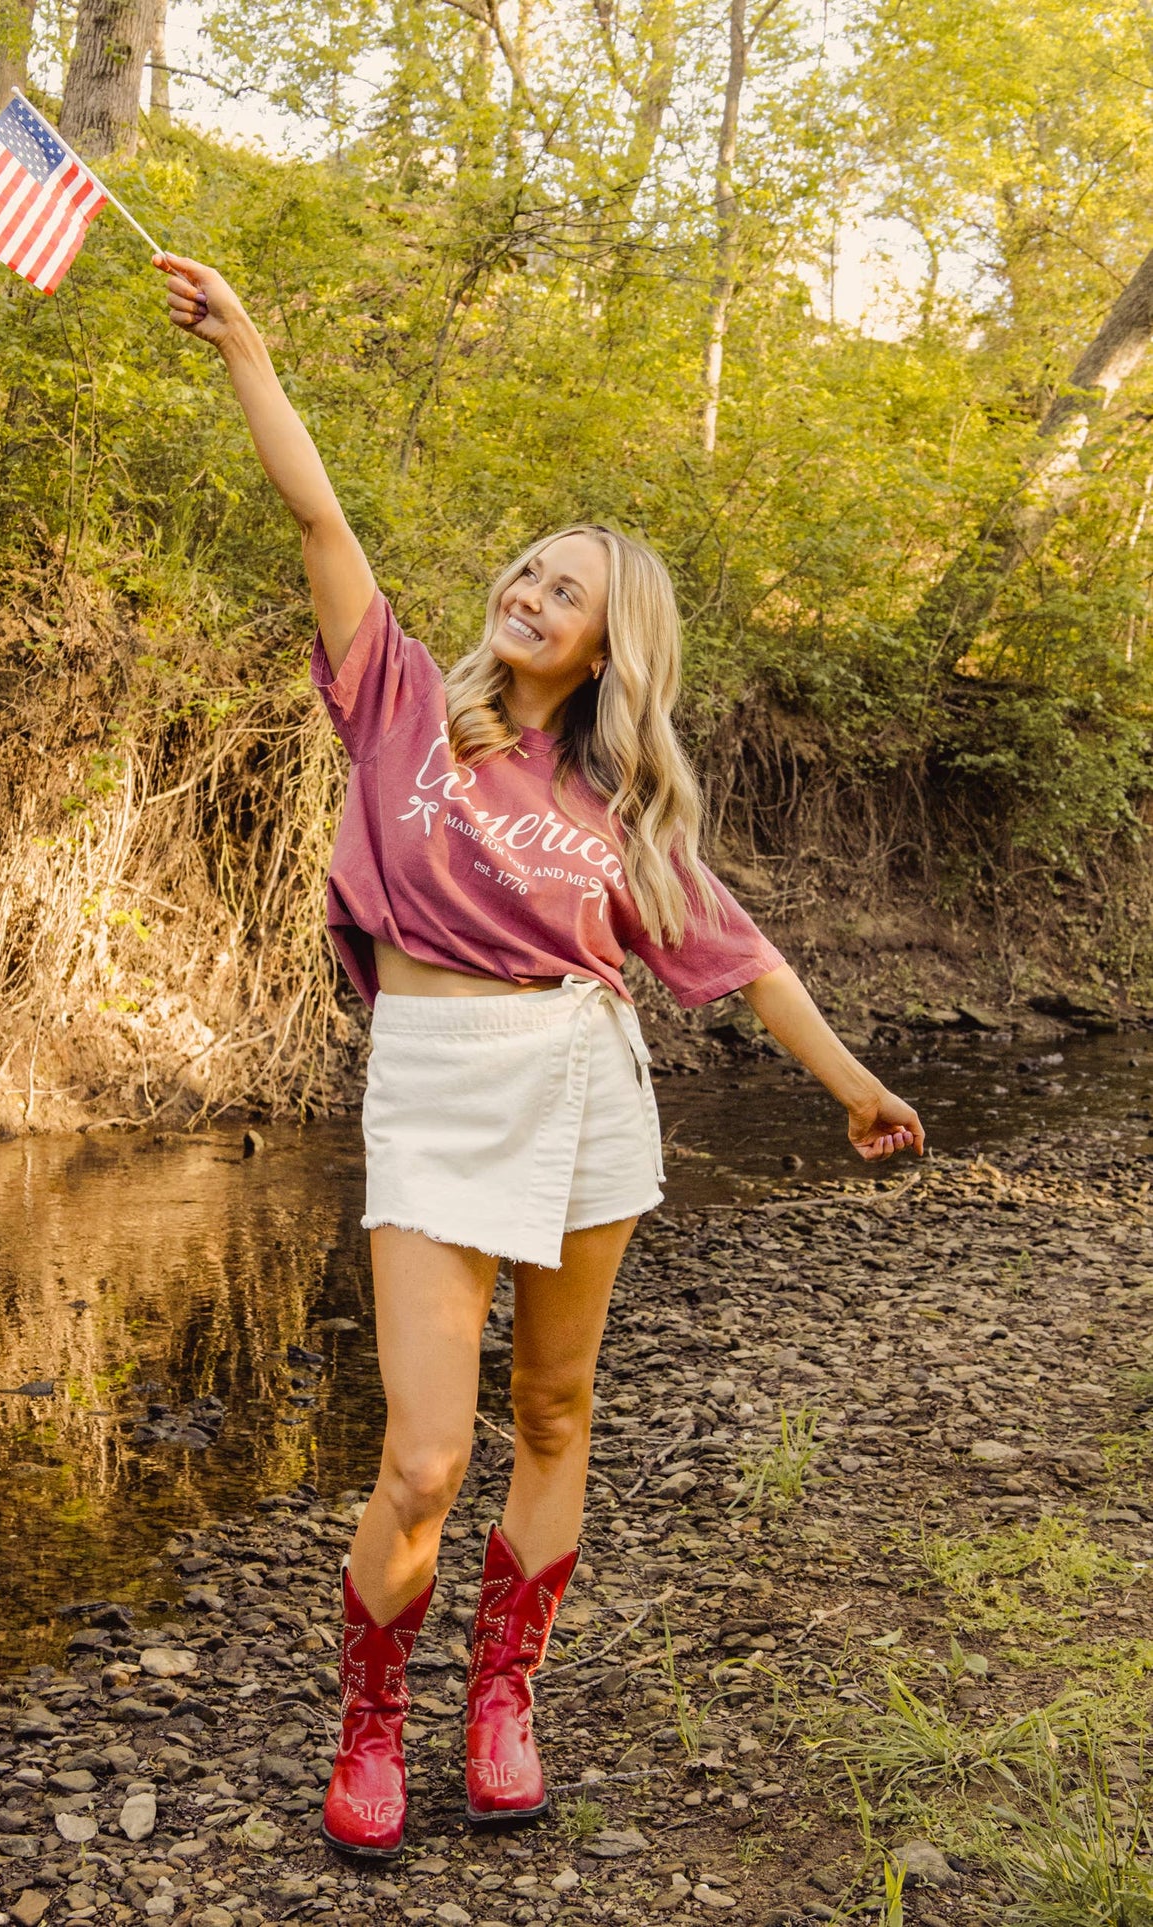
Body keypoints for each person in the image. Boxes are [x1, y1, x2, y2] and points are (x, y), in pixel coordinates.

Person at [155, 251, 925, 1859]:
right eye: (523, 568)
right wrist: (247, 349)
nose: (528, 591)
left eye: (562, 589)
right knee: (425, 1454)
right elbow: (319, 523)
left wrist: (853, 1087)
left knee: (556, 1414)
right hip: (432, 1089)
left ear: (602, 643)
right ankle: (374, 1720)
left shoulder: (630, 813)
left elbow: (746, 962)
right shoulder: (399, 705)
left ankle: (501, 1699)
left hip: (584, 1089)